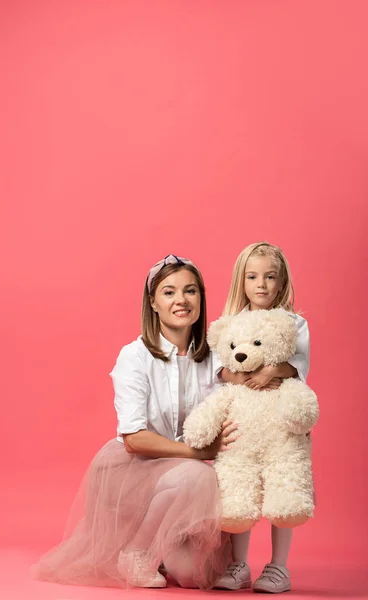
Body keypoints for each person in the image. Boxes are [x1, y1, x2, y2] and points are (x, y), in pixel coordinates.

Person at [33, 254, 244, 590]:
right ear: (153, 302)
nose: (181, 300)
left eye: (191, 291)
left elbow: (245, 391)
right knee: (198, 474)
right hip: (135, 473)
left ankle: (163, 551)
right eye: (169, 292)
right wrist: (198, 452)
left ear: (201, 299)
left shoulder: (216, 358)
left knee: (192, 577)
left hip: (188, 486)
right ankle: (136, 551)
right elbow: (134, 439)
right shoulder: (135, 356)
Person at [214, 241, 312, 594]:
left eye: (270, 277)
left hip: (280, 426)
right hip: (243, 422)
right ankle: (239, 564)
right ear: (241, 281)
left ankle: (278, 568)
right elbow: (219, 368)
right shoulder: (232, 323)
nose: (261, 284)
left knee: (281, 490)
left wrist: (272, 370)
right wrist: (238, 376)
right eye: (253, 276)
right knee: (240, 490)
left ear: (281, 281)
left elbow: (300, 367)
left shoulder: (294, 323)